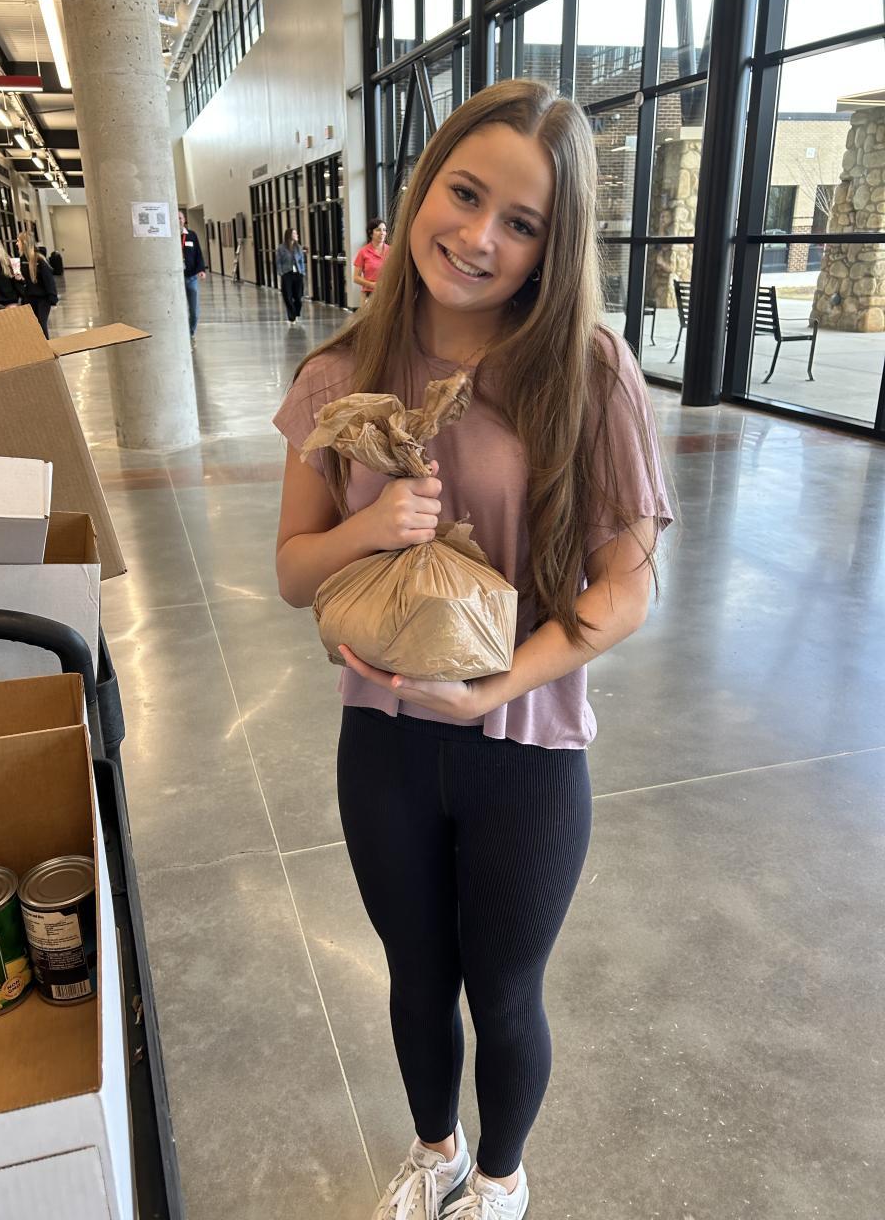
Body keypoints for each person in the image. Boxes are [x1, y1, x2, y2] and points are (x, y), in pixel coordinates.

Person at [273, 79, 672, 1220]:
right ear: (423, 188)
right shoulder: (338, 377)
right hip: (382, 743)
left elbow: (627, 587)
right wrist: (370, 528)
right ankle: (437, 1149)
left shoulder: (587, 373)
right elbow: (295, 572)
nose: (479, 236)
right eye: (464, 193)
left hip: (527, 749)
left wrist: (499, 686)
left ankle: (500, 1176)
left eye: (522, 221)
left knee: (503, 992)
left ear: (553, 246)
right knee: (416, 976)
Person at [17, 231, 58, 336]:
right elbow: (28, 280)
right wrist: (21, 279)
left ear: (24, 243)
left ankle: (45, 344)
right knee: (33, 326)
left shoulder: (40, 260)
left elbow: (49, 280)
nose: (17, 244)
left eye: (18, 241)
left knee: (41, 325)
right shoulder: (22, 260)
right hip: (29, 298)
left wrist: (53, 298)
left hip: (43, 299)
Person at [179, 209, 207, 340]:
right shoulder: (169, 237)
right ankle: (181, 335)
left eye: (180, 218)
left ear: (184, 220)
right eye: (175, 218)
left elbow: (198, 254)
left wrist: (201, 270)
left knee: (194, 310)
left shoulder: (191, 235)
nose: (178, 221)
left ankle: (190, 334)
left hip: (190, 277)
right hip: (175, 279)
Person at [353, 216, 390, 300]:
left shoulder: (391, 251)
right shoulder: (363, 252)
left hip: (389, 294)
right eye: (378, 230)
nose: (382, 233)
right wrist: (372, 284)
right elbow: (356, 278)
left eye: (384, 230)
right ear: (370, 233)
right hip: (369, 295)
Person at [275, 227, 306, 323]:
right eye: (295, 233)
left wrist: (302, 272)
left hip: (298, 274)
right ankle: (291, 316)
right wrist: (281, 272)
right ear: (289, 235)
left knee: (298, 297)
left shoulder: (299, 247)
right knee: (287, 296)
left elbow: (301, 261)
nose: (297, 235)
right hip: (287, 274)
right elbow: (278, 262)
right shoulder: (281, 248)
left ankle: (296, 312)